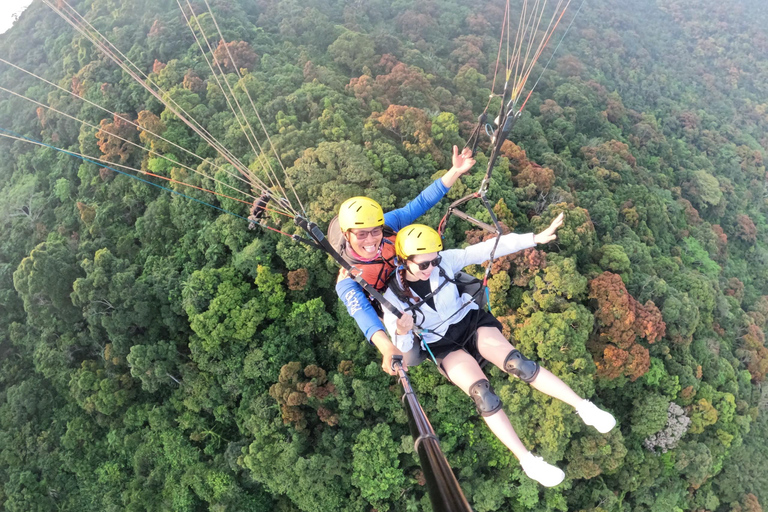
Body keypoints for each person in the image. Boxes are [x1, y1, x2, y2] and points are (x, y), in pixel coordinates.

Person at [380, 219, 616, 487]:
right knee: (483, 395)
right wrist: (401, 329)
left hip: (470, 322)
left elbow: (485, 249)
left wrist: (534, 238)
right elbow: (406, 350)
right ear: (404, 260)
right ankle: (528, 461)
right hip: (442, 344)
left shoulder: (445, 262)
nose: (430, 268)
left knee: (519, 364)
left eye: (433, 261)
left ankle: (584, 407)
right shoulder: (393, 298)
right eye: (423, 264)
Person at [331, 146, 476, 374]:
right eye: (361, 234)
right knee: (412, 357)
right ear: (347, 234)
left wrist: (455, 171)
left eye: (375, 231)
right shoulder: (348, 277)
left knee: (469, 283)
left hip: (413, 274)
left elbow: (419, 203)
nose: (371, 240)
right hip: (395, 303)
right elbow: (362, 314)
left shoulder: (387, 224)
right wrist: (387, 347)